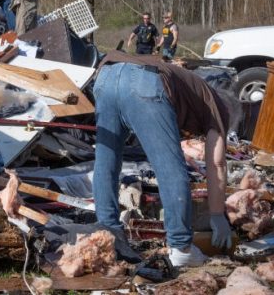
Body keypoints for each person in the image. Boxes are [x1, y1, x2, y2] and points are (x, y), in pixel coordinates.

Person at [92, 49, 239, 267]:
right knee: (170, 168)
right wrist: (217, 214)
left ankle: (109, 235)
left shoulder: (195, 93)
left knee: (107, 163)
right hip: (144, 81)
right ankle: (181, 249)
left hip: (107, 74)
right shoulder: (219, 108)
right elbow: (217, 163)